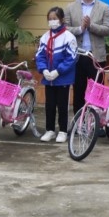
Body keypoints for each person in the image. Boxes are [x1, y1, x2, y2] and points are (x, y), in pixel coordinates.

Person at [65, 0, 109, 116]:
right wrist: (80, 29)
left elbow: (107, 29)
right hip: (77, 56)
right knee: (78, 90)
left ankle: (98, 121)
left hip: (96, 56)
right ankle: (78, 121)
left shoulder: (104, 7)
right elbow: (65, 29)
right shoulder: (70, 7)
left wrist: (91, 26)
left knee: (98, 90)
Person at [35, 7, 78, 143]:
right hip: (49, 79)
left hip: (63, 78)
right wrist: (44, 70)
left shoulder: (69, 37)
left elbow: (71, 58)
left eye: (55, 18)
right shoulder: (45, 37)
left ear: (62, 19)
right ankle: (50, 130)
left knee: (62, 105)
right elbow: (40, 55)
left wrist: (58, 71)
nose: (52, 21)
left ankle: (63, 131)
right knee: (50, 105)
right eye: (50, 19)